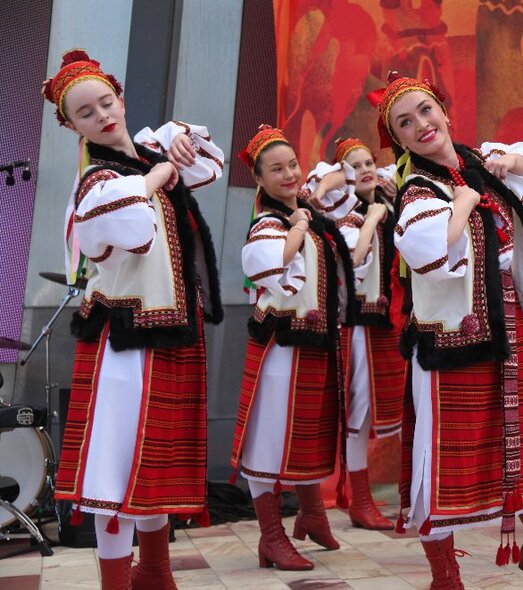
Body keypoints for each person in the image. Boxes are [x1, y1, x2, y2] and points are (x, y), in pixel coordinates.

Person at [373, 72, 523, 589]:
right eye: (405, 123)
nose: (421, 125)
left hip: (507, 337)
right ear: (399, 141)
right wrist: (464, 203)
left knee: (520, 446)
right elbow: (431, 258)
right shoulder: (419, 191)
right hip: (451, 346)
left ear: (444, 111)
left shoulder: (482, 167)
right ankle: (445, 574)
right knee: (436, 457)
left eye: (425, 111)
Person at [44, 49, 224, 590]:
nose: (102, 114)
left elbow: (210, 165)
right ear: (73, 126)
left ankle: (157, 573)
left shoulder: (146, 154)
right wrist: (158, 174)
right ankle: (118, 582)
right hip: (123, 340)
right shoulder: (95, 183)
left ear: (120, 99)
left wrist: (179, 142)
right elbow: (126, 226)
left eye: (107, 101)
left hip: (172, 332)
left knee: (157, 464)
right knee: (115, 468)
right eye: (86, 112)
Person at [229, 125, 357, 570]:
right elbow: (276, 263)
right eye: (277, 169)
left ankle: (312, 514)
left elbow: (346, 186)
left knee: (306, 432)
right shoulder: (269, 222)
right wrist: (299, 224)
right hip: (280, 347)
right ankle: (271, 536)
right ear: (260, 180)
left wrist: (310, 208)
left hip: (314, 342)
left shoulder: (309, 213)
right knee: (268, 440)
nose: (289, 174)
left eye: (292, 165)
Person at [330, 137, 406, 529]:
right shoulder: (349, 215)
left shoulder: (390, 206)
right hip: (359, 323)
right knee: (358, 413)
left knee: (395, 406)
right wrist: (374, 216)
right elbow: (353, 258)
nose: (365, 170)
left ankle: (409, 495)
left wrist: (386, 209)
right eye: (354, 166)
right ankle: (359, 501)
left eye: (367, 163)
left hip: (390, 321)